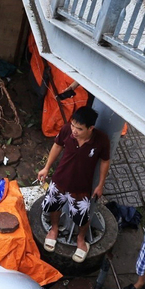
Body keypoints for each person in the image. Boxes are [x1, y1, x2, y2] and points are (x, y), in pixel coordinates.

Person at [37, 106, 111, 262]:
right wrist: (46, 168)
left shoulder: (101, 140)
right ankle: (54, 229)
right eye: (72, 125)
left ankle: (81, 239)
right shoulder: (66, 131)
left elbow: (105, 161)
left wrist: (100, 184)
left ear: (90, 128)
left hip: (81, 187)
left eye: (79, 128)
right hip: (60, 180)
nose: (74, 131)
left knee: (82, 217)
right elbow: (57, 145)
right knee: (54, 206)